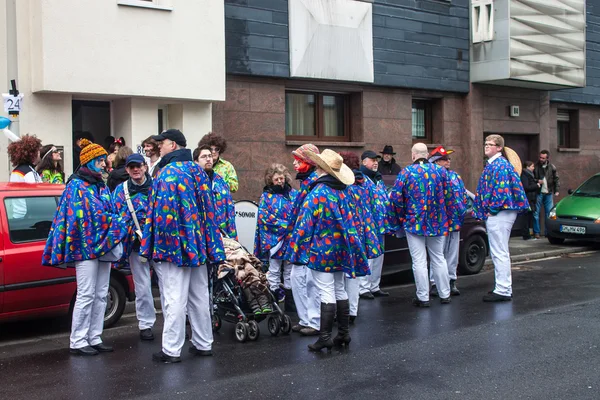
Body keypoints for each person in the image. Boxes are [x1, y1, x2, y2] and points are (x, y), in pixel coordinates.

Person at [141, 129, 225, 364]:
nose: (160, 147)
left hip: (174, 248)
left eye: (163, 143)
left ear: (174, 145)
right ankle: (203, 342)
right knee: (199, 295)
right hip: (197, 244)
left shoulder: (166, 173)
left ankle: (171, 349)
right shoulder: (198, 171)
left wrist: (155, 246)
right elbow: (209, 210)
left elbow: (160, 215)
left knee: (174, 298)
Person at [42, 139, 127, 356]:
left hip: (103, 247)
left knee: (100, 294)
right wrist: (117, 222)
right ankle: (78, 340)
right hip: (85, 249)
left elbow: (106, 211)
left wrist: (114, 220)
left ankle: (95, 337)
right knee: (87, 294)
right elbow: (88, 217)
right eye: (99, 161)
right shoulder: (76, 186)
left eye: (102, 160)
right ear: (88, 162)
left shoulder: (100, 184)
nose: (102, 164)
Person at [286, 149, 370, 352]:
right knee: (340, 288)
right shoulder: (344, 191)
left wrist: (296, 249)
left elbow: (306, 224)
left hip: (322, 250)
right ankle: (343, 333)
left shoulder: (318, 193)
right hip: (343, 248)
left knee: (325, 291)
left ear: (321, 169)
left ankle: (324, 337)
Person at [389, 143, 458, 307]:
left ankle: (423, 297)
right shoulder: (441, 172)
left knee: (419, 261)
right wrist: (448, 218)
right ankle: (445, 294)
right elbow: (450, 196)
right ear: (427, 155)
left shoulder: (406, 172)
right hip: (438, 222)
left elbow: (396, 199)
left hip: (414, 222)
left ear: (413, 155)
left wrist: (400, 218)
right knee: (439, 258)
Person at [474, 135, 529, 302]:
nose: (487, 146)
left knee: (499, 251)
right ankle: (503, 287)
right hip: (501, 212)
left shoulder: (499, 165)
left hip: (500, 213)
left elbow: (501, 190)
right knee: (499, 251)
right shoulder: (497, 165)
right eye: (486, 144)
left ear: (499, 148)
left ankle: (503, 289)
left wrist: (492, 209)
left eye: (491, 144)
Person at [275, 144, 321, 336]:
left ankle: (315, 321)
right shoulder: (306, 182)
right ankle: (305, 319)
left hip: (310, 241)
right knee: (297, 278)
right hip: (301, 239)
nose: (294, 163)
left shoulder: (314, 183)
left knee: (310, 282)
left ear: (308, 162)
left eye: (298, 160)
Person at [112, 154, 156, 341]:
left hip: (160, 244)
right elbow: (115, 215)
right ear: (127, 170)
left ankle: (178, 321)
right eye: (132, 167)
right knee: (143, 287)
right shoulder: (120, 191)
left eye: (139, 166)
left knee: (170, 285)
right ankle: (146, 324)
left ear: (145, 167)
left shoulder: (158, 187)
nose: (136, 169)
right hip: (136, 246)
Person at [339, 151, 382, 323]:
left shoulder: (343, 185)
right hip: (364, 232)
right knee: (355, 272)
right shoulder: (367, 183)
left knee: (343, 273)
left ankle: (343, 310)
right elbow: (375, 204)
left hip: (347, 232)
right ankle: (352, 310)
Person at [254, 163, 298, 303]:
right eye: (277, 179)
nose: (280, 181)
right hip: (275, 239)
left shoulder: (293, 194)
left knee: (289, 269)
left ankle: (290, 299)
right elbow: (263, 216)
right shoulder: (266, 196)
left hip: (290, 238)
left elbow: (299, 212)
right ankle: (273, 296)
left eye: (282, 178)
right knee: (274, 268)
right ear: (270, 180)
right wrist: (284, 225)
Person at [427, 146, 467, 296]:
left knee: (452, 253)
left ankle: (451, 280)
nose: (447, 161)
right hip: (439, 222)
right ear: (435, 162)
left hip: (454, 221)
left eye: (448, 159)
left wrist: (461, 212)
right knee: (438, 253)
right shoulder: (432, 177)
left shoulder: (456, 176)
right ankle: (434, 282)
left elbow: (463, 196)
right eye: (444, 159)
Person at [358, 150, 390, 299]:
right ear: (364, 162)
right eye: (372, 160)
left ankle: (374, 286)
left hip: (380, 224)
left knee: (379, 257)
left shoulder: (378, 179)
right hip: (367, 225)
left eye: (376, 160)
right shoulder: (360, 179)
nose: (376, 162)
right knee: (368, 257)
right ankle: (363, 287)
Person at [193, 145, 238, 240]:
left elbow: (228, 206)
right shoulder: (192, 181)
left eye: (209, 156)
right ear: (196, 161)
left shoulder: (220, 181)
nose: (208, 159)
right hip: (200, 230)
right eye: (204, 157)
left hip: (220, 230)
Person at [7, 134, 43, 219]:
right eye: (38, 151)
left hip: (19, 216)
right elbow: (37, 197)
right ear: (32, 154)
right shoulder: (28, 172)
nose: (39, 153)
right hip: (28, 217)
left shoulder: (19, 170)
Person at [533, 150, 560, 239]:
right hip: (539, 192)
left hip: (548, 192)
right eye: (540, 157)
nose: (541, 159)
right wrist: (537, 181)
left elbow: (556, 179)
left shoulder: (551, 167)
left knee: (549, 213)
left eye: (543, 158)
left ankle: (548, 232)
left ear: (547, 158)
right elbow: (531, 178)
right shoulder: (536, 167)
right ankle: (537, 232)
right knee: (536, 212)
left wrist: (556, 190)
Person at [520, 161, 540, 240]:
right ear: (528, 167)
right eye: (532, 166)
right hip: (527, 198)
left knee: (529, 216)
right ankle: (526, 235)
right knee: (526, 217)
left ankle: (528, 234)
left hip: (531, 198)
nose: (533, 168)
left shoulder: (529, 175)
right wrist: (536, 185)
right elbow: (526, 187)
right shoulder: (525, 175)